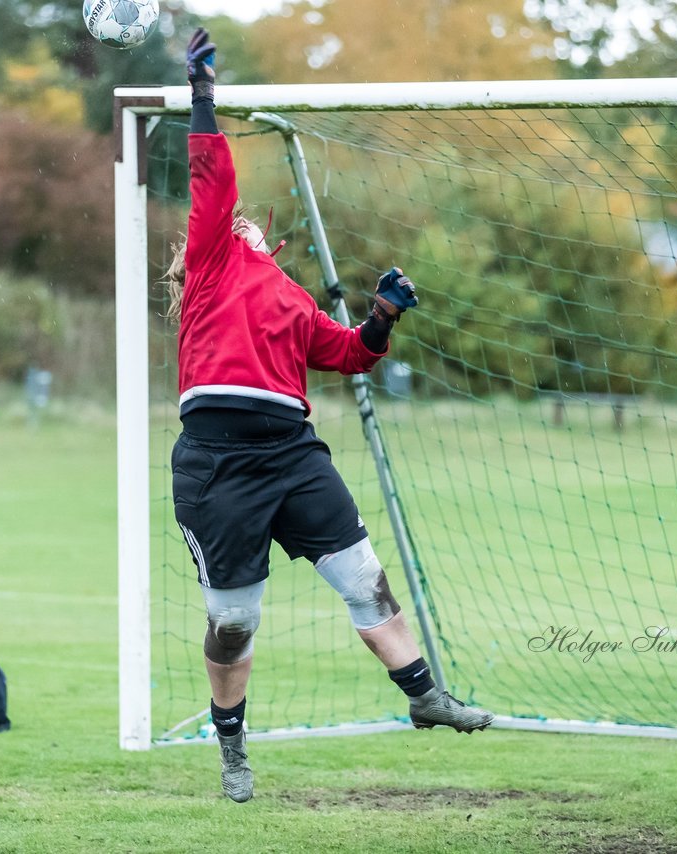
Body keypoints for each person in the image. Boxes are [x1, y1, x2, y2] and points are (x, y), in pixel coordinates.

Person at [166, 28, 494, 804]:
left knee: (363, 579)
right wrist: (204, 94)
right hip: (217, 464)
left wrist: (382, 319)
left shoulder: (292, 299)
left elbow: (350, 354)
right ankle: (233, 750)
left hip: (292, 453)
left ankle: (422, 694)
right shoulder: (212, 262)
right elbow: (211, 175)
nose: (243, 219)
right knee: (235, 624)